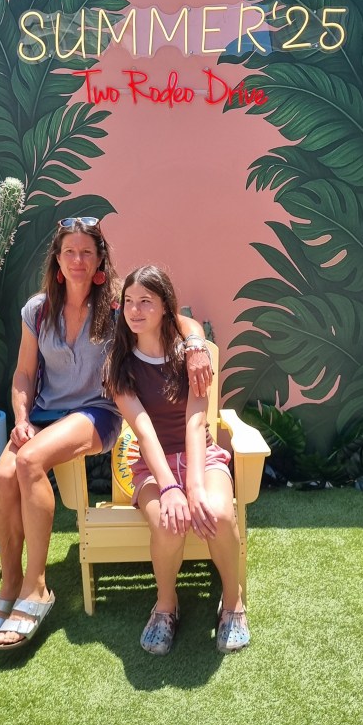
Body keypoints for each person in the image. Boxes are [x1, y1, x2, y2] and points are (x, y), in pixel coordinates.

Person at [0, 218, 212, 651]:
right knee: (4, 474)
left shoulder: (116, 304)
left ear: (100, 260)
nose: (78, 260)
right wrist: (22, 417)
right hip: (43, 413)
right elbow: (24, 373)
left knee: (29, 460)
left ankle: (37, 588)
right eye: (69, 251)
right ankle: (10, 583)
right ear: (56, 260)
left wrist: (198, 347)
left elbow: (181, 320)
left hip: (95, 412)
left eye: (87, 252)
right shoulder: (37, 310)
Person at [103, 265, 249, 656]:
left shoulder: (191, 357)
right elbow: (144, 431)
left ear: (166, 307)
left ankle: (233, 601)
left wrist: (195, 486)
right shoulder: (119, 365)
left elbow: (197, 420)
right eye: (128, 302)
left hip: (201, 454)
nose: (135, 310)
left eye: (145, 301)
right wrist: (169, 486)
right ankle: (166, 605)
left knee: (218, 514)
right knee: (169, 525)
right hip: (153, 465)